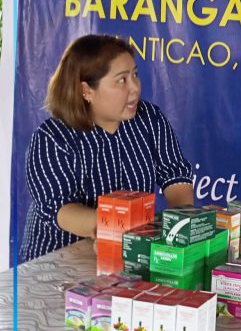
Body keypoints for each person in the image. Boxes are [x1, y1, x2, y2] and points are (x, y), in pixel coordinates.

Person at [20, 34, 195, 262]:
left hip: (128, 254)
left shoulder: (150, 118)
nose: (134, 88)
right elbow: (59, 209)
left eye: (135, 75)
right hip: (60, 261)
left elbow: (175, 175)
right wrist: (112, 229)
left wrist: (181, 227)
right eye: (121, 80)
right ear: (87, 91)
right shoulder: (52, 138)